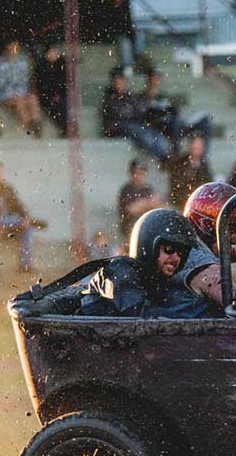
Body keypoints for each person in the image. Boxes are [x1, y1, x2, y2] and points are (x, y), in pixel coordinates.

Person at [78, 209, 216, 318]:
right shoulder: (121, 272)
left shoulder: (156, 281)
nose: (175, 258)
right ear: (149, 246)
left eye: (181, 252)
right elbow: (143, 317)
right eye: (169, 249)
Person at [0, 161, 45, 272]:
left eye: (0, 172)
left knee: (28, 229)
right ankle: (25, 221)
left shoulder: (7, 189)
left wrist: (25, 217)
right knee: (2, 218)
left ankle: (25, 265)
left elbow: (18, 205)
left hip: (10, 225)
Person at [100, 68, 165, 158]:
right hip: (115, 127)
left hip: (130, 124)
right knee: (137, 130)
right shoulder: (109, 97)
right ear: (113, 82)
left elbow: (139, 110)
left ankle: (163, 153)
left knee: (151, 130)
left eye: (121, 80)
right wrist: (132, 112)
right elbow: (121, 113)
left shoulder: (128, 95)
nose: (119, 83)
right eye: (117, 80)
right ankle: (161, 156)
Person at [0, 41, 43, 137]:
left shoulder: (22, 61)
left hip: (21, 92)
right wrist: (15, 92)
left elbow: (25, 79)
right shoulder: (0, 63)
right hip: (6, 94)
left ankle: (36, 122)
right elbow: (0, 84)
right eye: (11, 46)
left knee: (33, 99)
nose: (13, 49)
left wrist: (23, 92)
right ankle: (28, 124)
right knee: (19, 101)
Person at [117, 160, 162, 245]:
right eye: (136, 173)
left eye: (142, 173)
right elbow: (131, 209)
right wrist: (148, 203)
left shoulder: (148, 189)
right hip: (130, 230)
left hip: (146, 230)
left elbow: (158, 205)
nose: (138, 176)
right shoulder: (126, 189)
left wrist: (141, 204)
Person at [164, 134, 212, 211]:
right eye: (195, 146)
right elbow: (177, 185)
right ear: (190, 146)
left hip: (197, 201)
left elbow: (207, 183)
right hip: (180, 200)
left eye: (200, 146)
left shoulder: (203, 163)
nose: (197, 149)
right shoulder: (180, 162)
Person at [35, 43, 68, 137]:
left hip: (59, 94)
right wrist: (52, 94)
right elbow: (40, 84)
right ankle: (63, 128)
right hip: (46, 95)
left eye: (55, 51)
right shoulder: (41, 66)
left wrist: (58, 93)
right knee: (55, 106)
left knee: (63, 104)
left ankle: (65, 128)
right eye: (52, 52)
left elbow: (64, 82)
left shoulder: (62, 64)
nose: (54, 54)